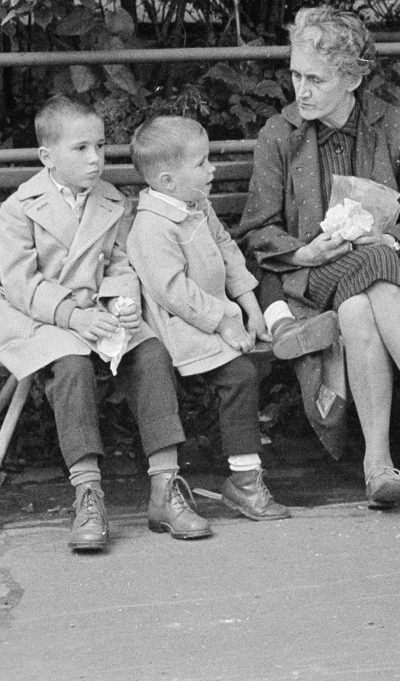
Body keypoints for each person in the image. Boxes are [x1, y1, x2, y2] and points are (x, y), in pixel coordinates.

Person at [240, 6, 400, 509]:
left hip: (378, 278)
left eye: (316, 78)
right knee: (375, 276)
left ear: (354, 76)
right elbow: (256, 230)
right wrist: (305, 249)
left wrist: (391, 240)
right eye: (295, 74)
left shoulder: (393, 126)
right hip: (306, 276)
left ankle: (377, 465)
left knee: (362, 300)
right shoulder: (280, 134)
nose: (301, 90)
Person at [0, 96, 210, 552]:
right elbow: (19, 284)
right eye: (81, 149)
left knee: (151, 352)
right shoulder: (20, 207)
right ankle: (87, 493)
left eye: (100, 146)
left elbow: (119, 263)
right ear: (47, 156)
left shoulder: (112, 201)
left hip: (99, 313)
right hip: (45, 319)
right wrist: (72, 314)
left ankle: (165, 488)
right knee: (71, 365)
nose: (95, 159)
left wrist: (124, 302)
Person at [125, 115, 291, 523]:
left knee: (248, 374)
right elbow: (174, 293)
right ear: (166, 181)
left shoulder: (198, 205)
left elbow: (228, 250)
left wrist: (251, 308)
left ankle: (244, 480)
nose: (212, 168)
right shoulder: (151, 226)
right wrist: (224, 322)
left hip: (219, 317)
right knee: (239, 376)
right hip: (180, 328)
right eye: (201, 163)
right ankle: (243, 481)